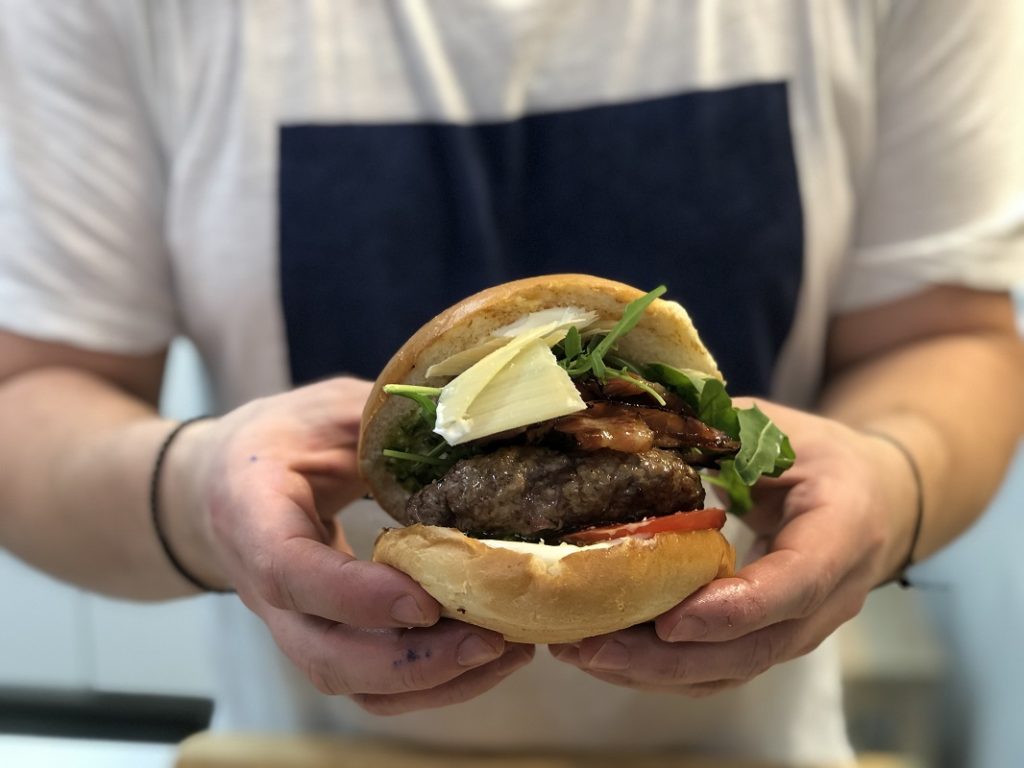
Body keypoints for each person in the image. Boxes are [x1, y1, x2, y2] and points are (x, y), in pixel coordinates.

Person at [1, 1, 1022, 764]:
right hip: (310, 746)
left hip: (746, 744)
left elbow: (950, 334)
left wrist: (895, 483)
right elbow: (33, 391)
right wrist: (195, 492)